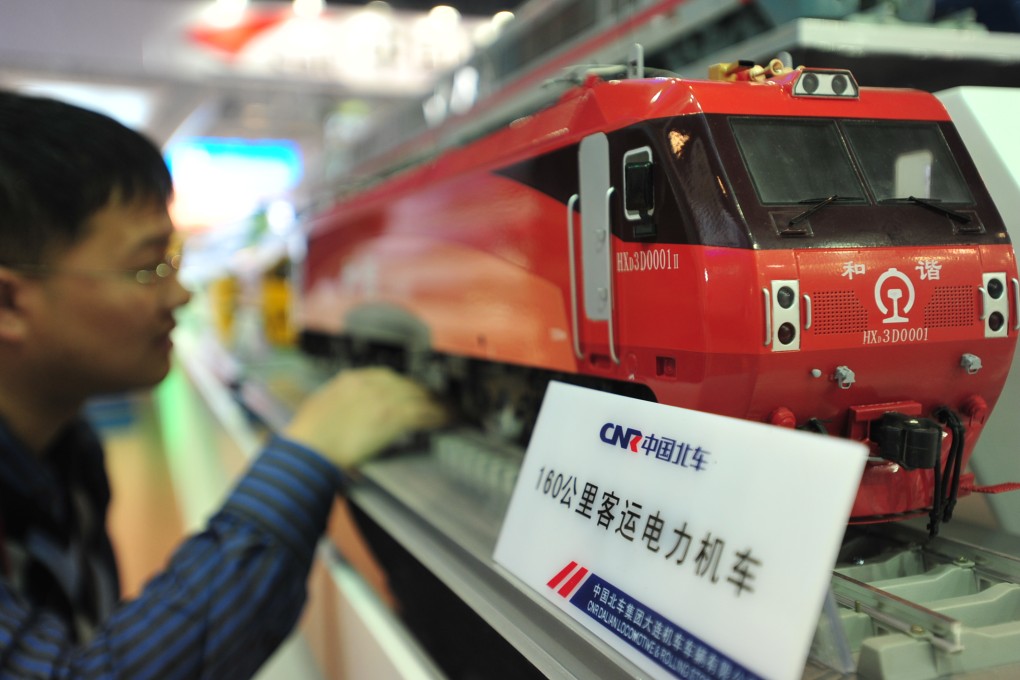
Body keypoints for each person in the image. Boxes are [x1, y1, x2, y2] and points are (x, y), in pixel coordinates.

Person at [0, 90, 447, 677]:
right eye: (148, 266)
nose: (179, 294)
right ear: (8, 301)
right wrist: (304, 459)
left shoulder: (66, 452)